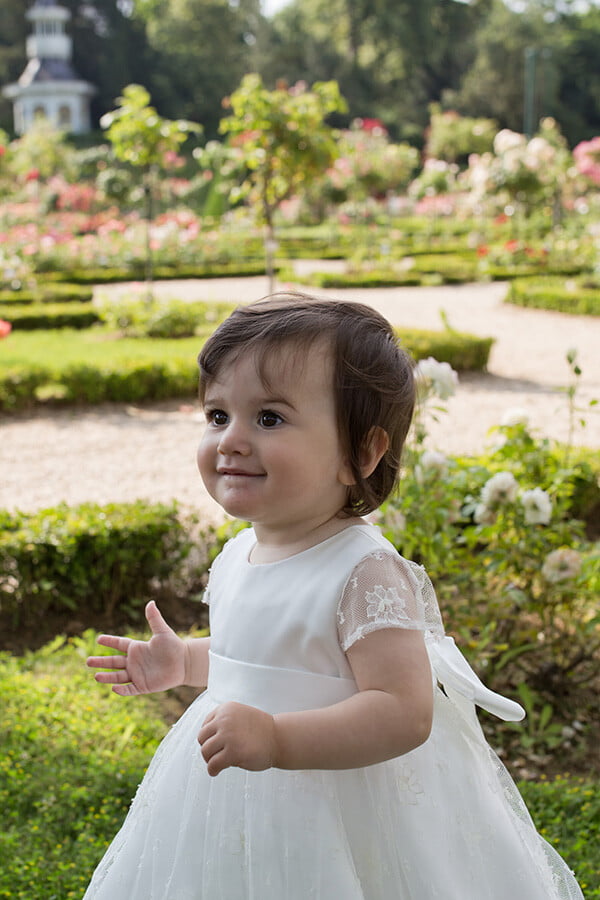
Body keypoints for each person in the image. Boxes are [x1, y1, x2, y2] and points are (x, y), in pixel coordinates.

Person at [84, 293, 583, 899]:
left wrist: (278, 740)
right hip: (231, 781)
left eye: (269, 418)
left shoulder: (364, 571)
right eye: (218, 416)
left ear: (360, 454)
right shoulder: (239, 552)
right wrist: (188, 661)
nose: (232, 440)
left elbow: (404, 709)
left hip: (340, 797)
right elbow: (272, 658)